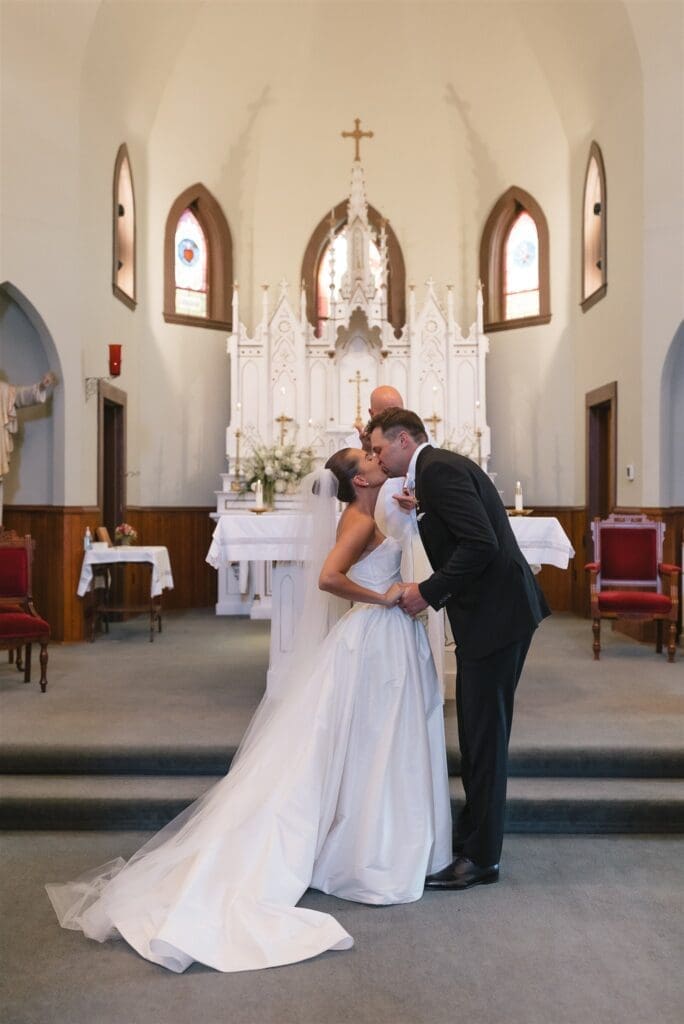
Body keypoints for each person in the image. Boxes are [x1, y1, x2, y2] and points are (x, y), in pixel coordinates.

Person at [46, 450, 452, 973]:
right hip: (374, 630)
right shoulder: (355, 521)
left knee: (369, 739)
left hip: (378, 638)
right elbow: (329, 578)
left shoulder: (375, 511)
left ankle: (368, 831)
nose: (377, 458)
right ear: (358, 479)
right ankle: (365, 842)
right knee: (367, 738)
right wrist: (384, 596)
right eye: (369, 458)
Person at [369, 408, 550, 891]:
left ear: (404, 439)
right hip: (494, 616)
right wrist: (421, 509)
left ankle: (482, 859)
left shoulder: (440, 471)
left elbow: (481, 543)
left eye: (379, 448)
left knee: (484, 739)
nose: (375, 457)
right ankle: (473, 839)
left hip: (498, 618)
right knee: (475, 733)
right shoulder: (433, 473)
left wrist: (427, 591)